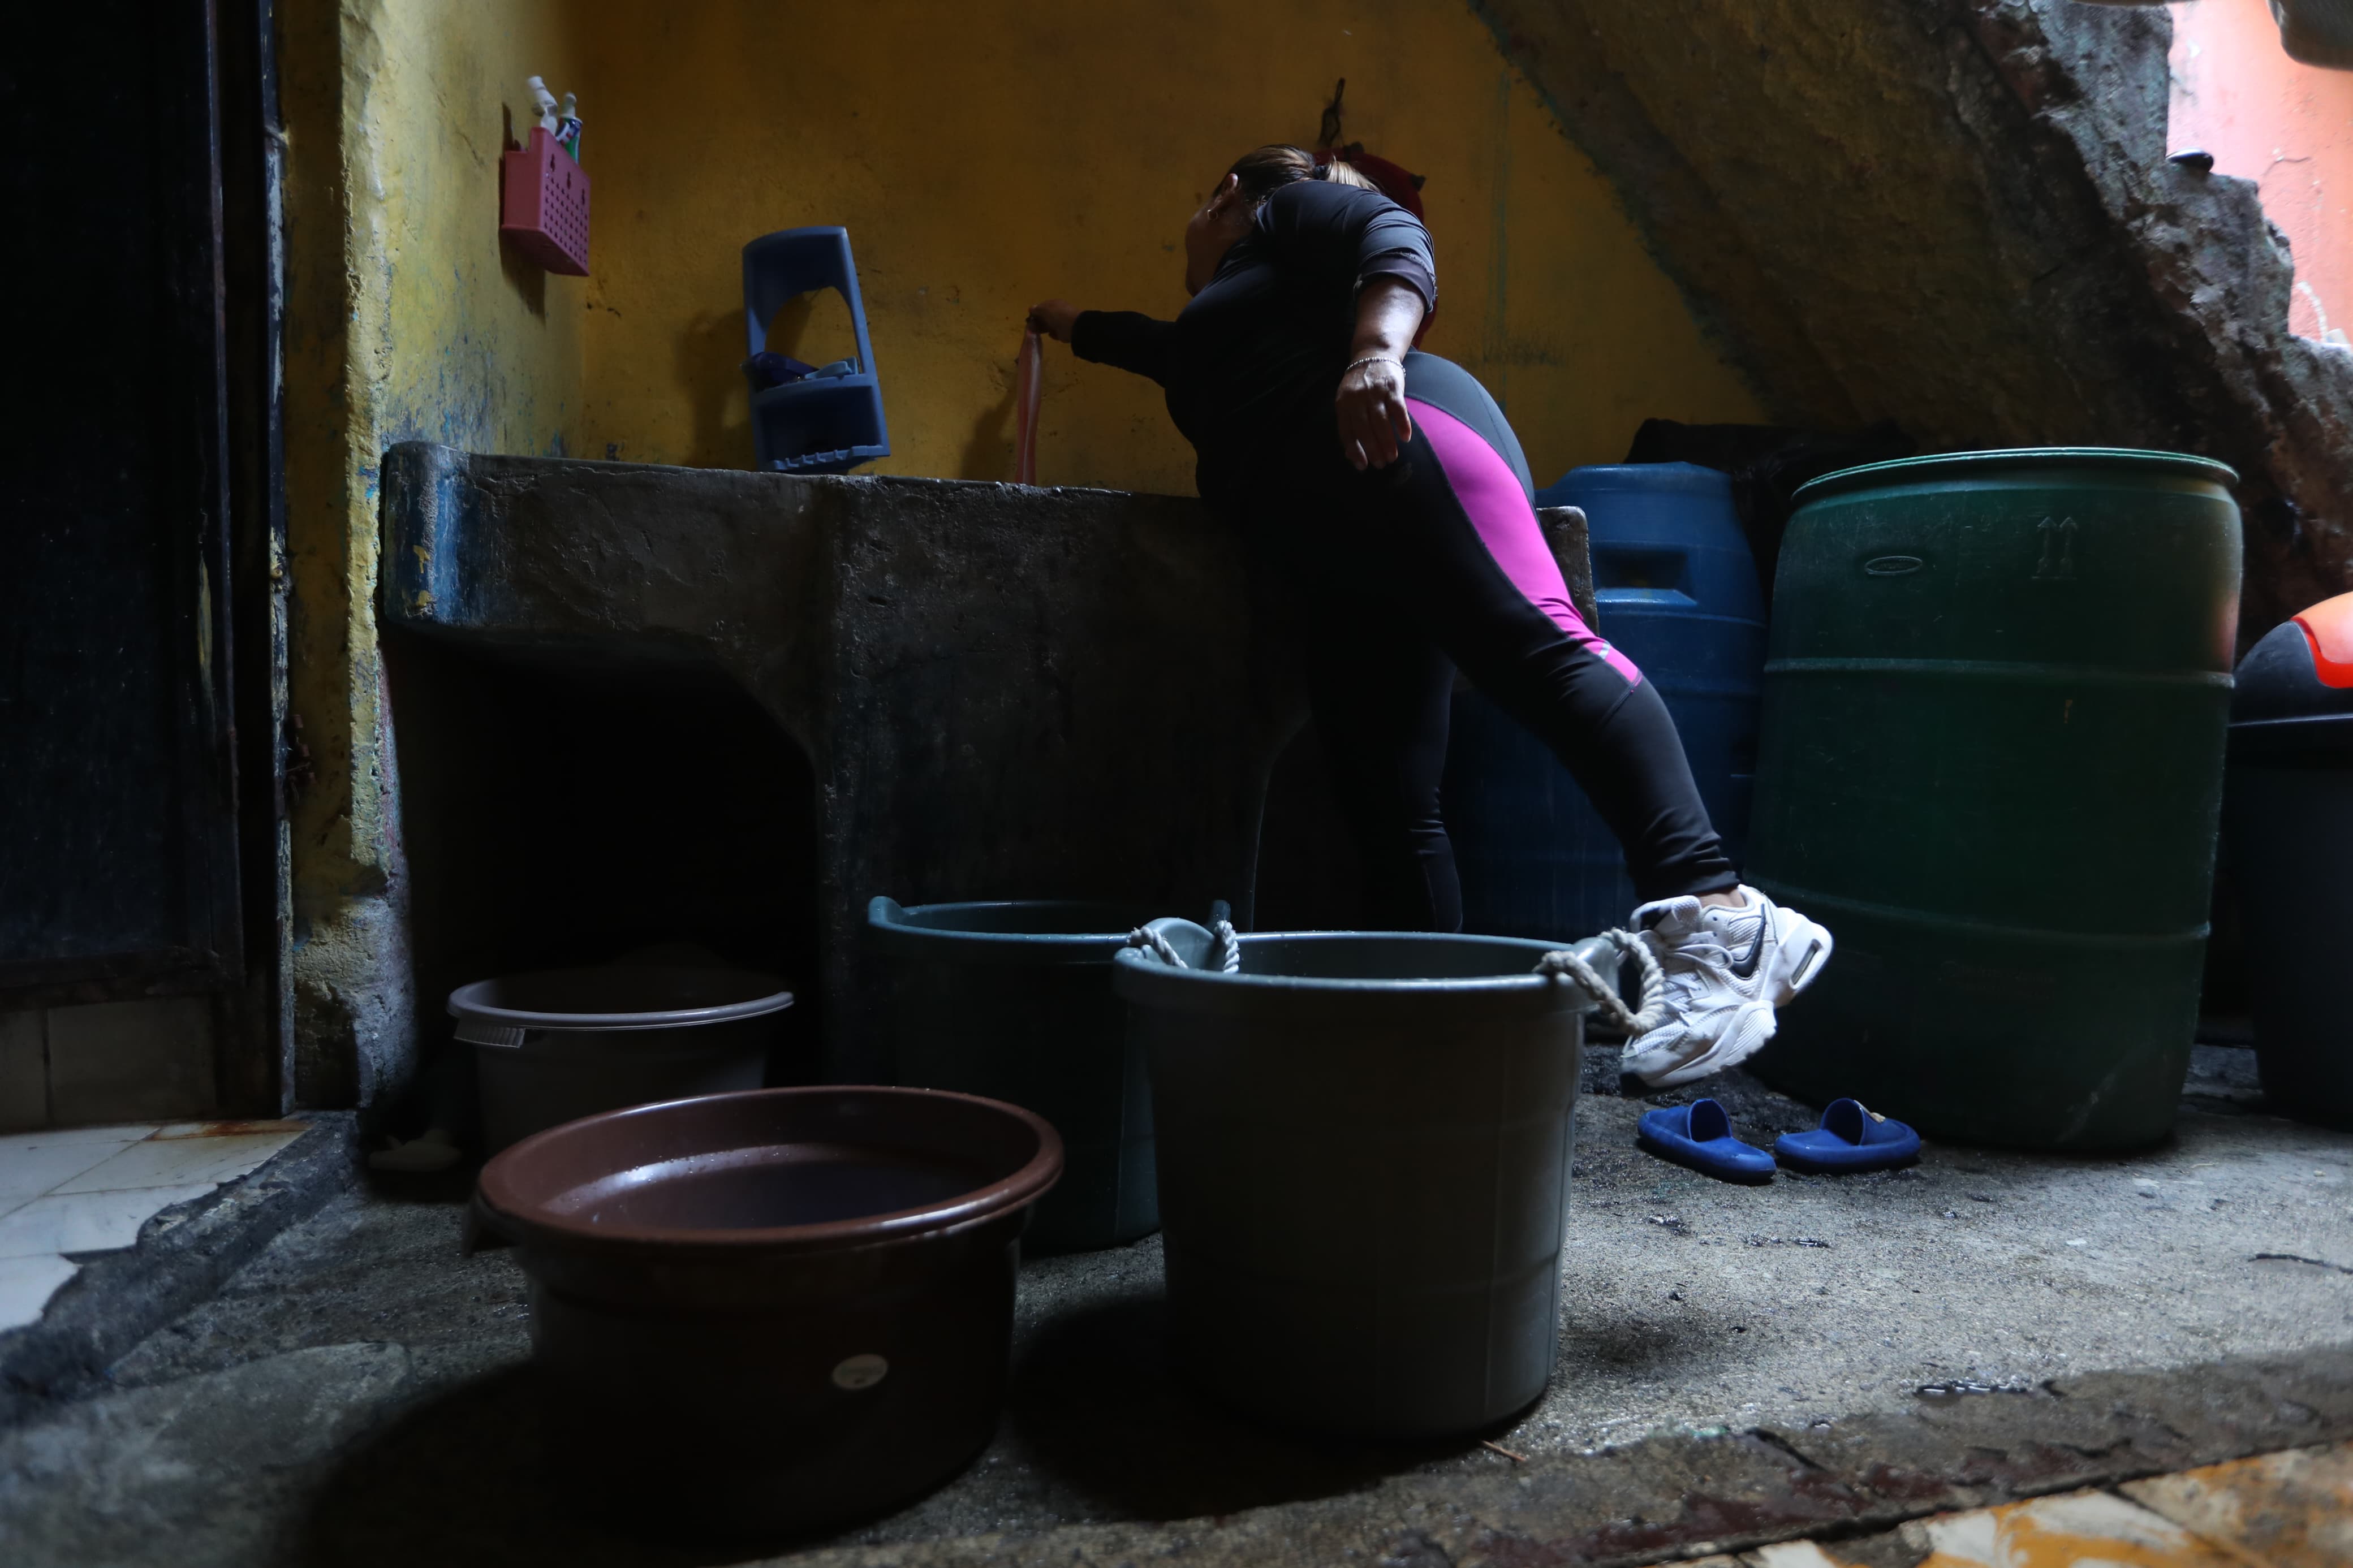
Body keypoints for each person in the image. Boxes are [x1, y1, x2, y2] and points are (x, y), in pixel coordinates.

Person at [1028, 145, 1831, 1087]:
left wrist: (1375, 356)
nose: (1189, 233)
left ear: (1231, 198)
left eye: (1198, 211)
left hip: (1402, 455)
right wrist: (1058, 322)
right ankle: (1426, 1042)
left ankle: (1724, 917)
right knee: (1388, 800)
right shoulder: (1220, 335)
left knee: (1542, 656)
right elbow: (1145, 342)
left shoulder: (1290, 214)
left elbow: (1395, 235)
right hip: (1339, 549)